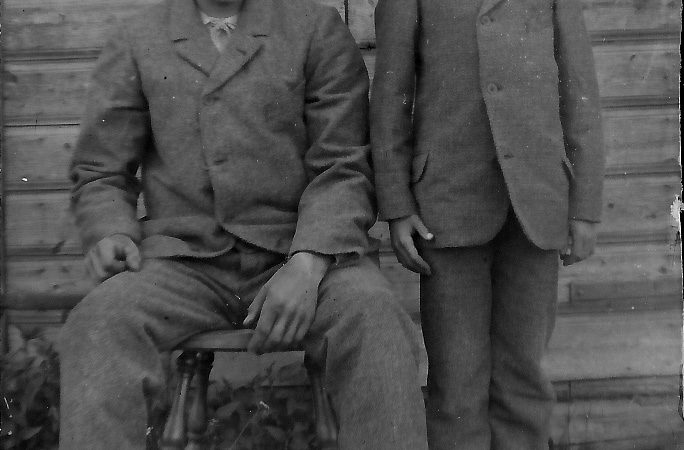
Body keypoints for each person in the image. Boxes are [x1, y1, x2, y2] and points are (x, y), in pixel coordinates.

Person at [60, 0, 429, 448]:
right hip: (184, 261)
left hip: (297, 253)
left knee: (375, 316)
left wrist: (309, 264)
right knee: (98, 323)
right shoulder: (139, 36)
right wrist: (110, 230)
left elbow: (345, 165)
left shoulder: (314, 28)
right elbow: (101, 168)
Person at [370, 0, 605, 448]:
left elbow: (580, 91)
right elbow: (390, 96)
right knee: (456, 383)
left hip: (536, 203)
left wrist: (584, 207)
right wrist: (397, 205)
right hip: (448, 205)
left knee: (524, 374)